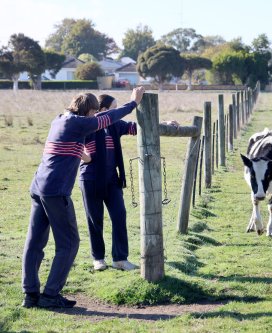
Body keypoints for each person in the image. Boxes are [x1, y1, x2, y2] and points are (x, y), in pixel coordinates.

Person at [22, 87, 145, 309]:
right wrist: (133, 103)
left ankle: (30, 295)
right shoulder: (81, 123)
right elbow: (108, 117)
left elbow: (68, 145)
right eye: (94, 113)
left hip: (38, 187)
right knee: (69, 244)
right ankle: (50, 296)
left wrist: (81, 153)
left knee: (34, 243)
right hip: (56, 191)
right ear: (89, 112)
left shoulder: (59, 120)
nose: (95, 117)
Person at [79, 94, 179, 272]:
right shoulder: (87, 125)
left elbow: (137, 128)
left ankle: (120, 259)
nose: (117, 112)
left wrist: (164, 123)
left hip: (112, 179)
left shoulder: (115, 124)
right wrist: (85, 158)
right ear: (102, 110)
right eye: (114, 108)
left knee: (119, 216)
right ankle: (98, 259)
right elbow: (74, 142)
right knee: (95, 220)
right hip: (91, 179)